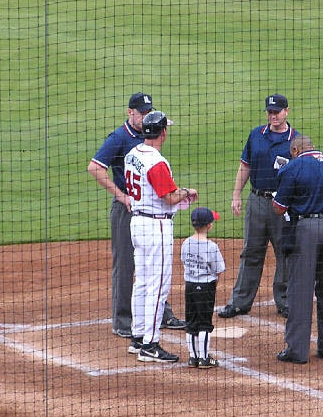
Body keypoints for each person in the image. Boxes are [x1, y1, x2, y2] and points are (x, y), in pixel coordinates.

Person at [87, 93, 185, 339]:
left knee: (151, 266)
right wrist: (121, 196)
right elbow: (95, 168)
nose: (144, 115)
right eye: (140, 112)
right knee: (127, 265)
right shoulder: (119, 138)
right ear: (130, 112)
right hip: (126, 210)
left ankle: (162, 314)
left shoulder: (147, 135)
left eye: (147, 111)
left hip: (148, 207)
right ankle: (122, 321)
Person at [124, 110, 198, 363]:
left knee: (142, 282)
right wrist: (188, 191)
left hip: (137, 223)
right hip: (155, 228)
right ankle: (150, 344)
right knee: (158, 285)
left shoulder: (132, 154)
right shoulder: (156, 161)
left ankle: (137, 338)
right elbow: (169, 197)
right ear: (162, 132)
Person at [218, 93, 299, 319]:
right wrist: (236, 195)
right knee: (251, 252)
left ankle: (284, 301)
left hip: (282, 205)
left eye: (277, 111)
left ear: (287, 111)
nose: (273, 116)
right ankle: (240, 302)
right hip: (256, 201)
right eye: (270, 112)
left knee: (285, 253)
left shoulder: (297, 140)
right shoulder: (256, 135)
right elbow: (245, 167)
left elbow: (302, 174)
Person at [272, 135, 323, 364]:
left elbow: (278, 207)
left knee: (300, 291)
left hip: (305, 230)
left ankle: (297, 350)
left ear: (295, 150)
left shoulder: (293, 168)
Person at [181, 207, 225, 369]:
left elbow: (184, 261)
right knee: (205, 323)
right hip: (206, 287)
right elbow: (219, 270)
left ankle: (193, 357)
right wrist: (214, 285)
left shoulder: (186, 243)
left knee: (191, 321)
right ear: (209, 225)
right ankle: (204, 358)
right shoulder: (211, 246)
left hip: (190, 286)